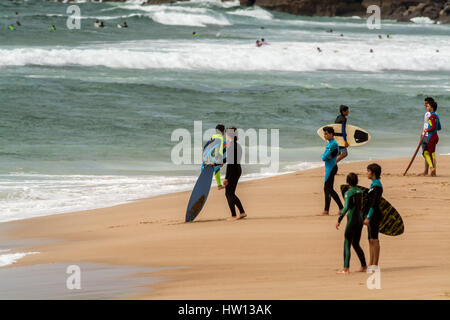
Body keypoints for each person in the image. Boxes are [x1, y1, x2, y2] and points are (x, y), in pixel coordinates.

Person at [336, 173, 367, 274]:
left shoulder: (348, 193)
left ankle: (346, 269)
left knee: (347, 242)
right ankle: (364, 265)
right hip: (360, 219)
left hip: (352, 219)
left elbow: (345, 208)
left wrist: (339, 220)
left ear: (347, 182)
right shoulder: (360, 191)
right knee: (356, 243)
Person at [319, 127, 343, 216]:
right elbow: (328, 156)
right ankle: (340, 208)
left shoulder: (332, 144)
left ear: (332, 134)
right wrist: (327, 156)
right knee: (329, 189)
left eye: (326, 133)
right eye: (324, 134)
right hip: (331, 167)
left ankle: (327, 210)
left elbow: (323, 157)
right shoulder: (332, 143)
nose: (325, 135)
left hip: (331, 168)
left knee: (327, 189)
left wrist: (326, 156)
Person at [223, 127, 246, 221]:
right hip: (237, 170)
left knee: (229, 193)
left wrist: (226, 178)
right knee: (230, 193)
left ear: (229, 135)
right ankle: (241, 213)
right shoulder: (236, 145)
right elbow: (229, 159)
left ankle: (235, 214)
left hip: (233, 171)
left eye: (226, 134)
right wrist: (218, 163)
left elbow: (230, 163)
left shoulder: (231, 146)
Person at [364, 163, 383, 268]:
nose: (367, 173)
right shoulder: (373, 185)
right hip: (371, 215)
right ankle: (370, 263)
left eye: (368, 171)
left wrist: (368, 217)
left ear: (373, 172)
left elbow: (374, 203)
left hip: (374, 215)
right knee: (370, 240)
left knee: (374, 239)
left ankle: (375, 264)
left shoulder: (377, 186)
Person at [422, 100, 441, 177]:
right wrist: (433, 128)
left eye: (428, 106)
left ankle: (432, 168)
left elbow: (433, 127)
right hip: (435, 136)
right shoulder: (436, 116)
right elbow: (439, 127)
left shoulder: (432, 116)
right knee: (432, 153)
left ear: (432, 108)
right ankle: (434, 172)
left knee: (426, 153)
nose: (427, 107)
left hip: (431, 136)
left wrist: (427, 129)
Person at [419, 97, 434, 176]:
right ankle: (426, 170)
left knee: (427, 153)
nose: (424, 105)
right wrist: (422, 133)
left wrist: (426, 132)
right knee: (426, 153)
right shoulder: (428, 113)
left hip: (428, 135)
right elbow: (426, 124)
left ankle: (429, 170)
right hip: (425, 134)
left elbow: (432, 126)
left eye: (426, 104)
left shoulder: (431, 114)